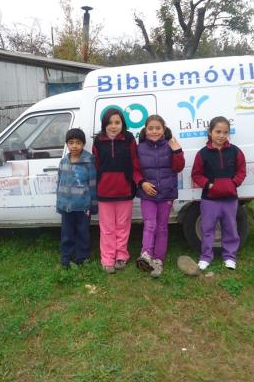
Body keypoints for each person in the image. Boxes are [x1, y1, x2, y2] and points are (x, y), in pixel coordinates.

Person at [191, 116, 246, 271]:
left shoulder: (235, 151)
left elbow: (242, 171)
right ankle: (206, 257)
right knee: (207, 229)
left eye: (225, 132)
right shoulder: (202, 154)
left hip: (230, 199)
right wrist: (208, 184)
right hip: (209, 199)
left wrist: (233, 183)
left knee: (230, 228)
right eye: (218, 131)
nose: (221, 135)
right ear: (210, 132)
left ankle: (230, 257)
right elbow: (196, 175)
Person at [93, 108, 143, 274]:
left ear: (123, 123)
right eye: (110, 123)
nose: (113, 126)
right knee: (107, 227)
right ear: (104, 124)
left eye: (117, 122)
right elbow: (96, 165)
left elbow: (135, 162)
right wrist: (100, 181)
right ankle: (107, 258)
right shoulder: (98, 141)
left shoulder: (129, 139)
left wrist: (135, 181)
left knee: (122, 225)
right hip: (104, 191)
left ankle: (121, 255)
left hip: (125, 190)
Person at [136, 115, 185, 278]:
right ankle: (146, 255)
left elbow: (178, 167)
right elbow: (134, 170)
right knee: (150, 224)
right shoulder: (140, 147)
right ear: (145, 130)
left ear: (164, 129)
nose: (154, 131)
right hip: (147, 194)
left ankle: (158, 260)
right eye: (151, 128)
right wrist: (142, 183)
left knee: (162, 227)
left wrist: (177, 150)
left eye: (158, 128)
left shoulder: (170, 145)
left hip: (166, 193)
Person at [56, 128, 97, 269]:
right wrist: (59, 204)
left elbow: (92, 183)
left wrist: (93, 205)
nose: (74, 146)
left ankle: (82, 257)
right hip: (66, 206)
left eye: (78, 142)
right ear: (67, 144)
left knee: (83, 233)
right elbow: (59, 183)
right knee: (66, 234)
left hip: (83, 207)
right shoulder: (63, 162)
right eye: (71, 142)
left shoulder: (89, 161)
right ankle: (66, 258)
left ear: (83, 144)